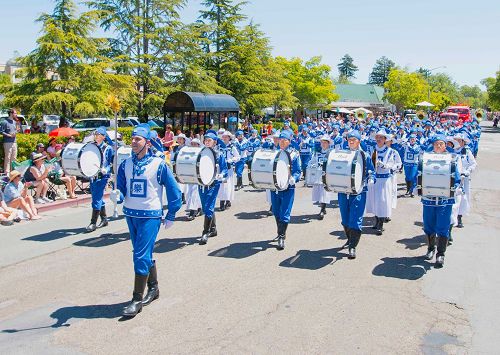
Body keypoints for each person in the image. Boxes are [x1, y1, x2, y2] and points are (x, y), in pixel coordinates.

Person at [112, 124, 182, 317]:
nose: (133, 142)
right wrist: (117, 195)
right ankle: (154, 288)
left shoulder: (159, 165)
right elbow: (122, 188)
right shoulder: (125, 164)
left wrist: (171, 214)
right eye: (132, 139)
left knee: (140, 256)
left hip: (150, 216)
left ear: (147, 143)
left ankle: (136, 299)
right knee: (141, 252)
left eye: (138, 139)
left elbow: (175, 192)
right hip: (131, 215)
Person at [421, 135, 461, 268]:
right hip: (429, 199)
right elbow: (420, 173)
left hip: (445, 199)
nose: (438, 146)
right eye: (436, 144)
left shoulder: (452, 158)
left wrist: (456, 186)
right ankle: (431, 248)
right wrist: (418, 186)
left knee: (443, 226)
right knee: (428, 224)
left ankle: (440, 254)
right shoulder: (425, 157)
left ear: (445, 146)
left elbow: (456, 176)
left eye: (441, 144)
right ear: (433, 145)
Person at [337, 130, 375, 259]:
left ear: (359, 141)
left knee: (356, 219)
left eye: (353, 139)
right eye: (349, 139)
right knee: (345, 219)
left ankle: (353, 247)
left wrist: (371, 179)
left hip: (359, 191)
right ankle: (349, 239)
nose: (351, 141)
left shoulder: (365, 155)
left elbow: (371, 171)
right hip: (343, 191)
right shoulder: (343, 154)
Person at [270, 130, 301, 250]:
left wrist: (294, 178)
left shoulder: (294, 154)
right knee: (276, 212)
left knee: (285, 212)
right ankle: (280, 233)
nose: (282, 143)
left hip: (288, 187)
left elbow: (298, 170)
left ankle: (282, 237)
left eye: (284, 140)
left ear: (289, 141)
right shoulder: (274, 153)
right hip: (275, 187)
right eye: (280, 140)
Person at [365, 130, 399, 235]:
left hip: (384, 180)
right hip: (374, 179)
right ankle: (376, 221)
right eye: (377, 137)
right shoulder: (371, 150)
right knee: (374, 200)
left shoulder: (391, 151)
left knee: (383, 201)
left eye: (381, 137)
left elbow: (398, 164)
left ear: (385, 139)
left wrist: (387, 166)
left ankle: (381, 224)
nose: (379, 139)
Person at [198, 132, 228, 245]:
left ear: (214, 142)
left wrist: (221, 175)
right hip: (201, 184)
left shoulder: (219, 155)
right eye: (205, 140)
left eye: (209, 140)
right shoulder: (200, 153)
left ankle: (205, 232)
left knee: (209, 206)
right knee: (206, 207)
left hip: (213, 184)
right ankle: (213, 229)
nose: (206, 142)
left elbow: (224, 169)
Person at [86, 127, 114, 232]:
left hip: (103, 176)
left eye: (99, 135)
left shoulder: (108, 148)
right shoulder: (92, 146)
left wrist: (106, 170)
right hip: (93, 175)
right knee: (96, 196)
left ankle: (93, 223)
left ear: (103, 137)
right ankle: (104, 219)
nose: (96, 136)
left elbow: (111, 163)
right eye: (95, 134)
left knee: (96, 198)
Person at [311, 135, 333, 220]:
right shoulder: (317, 153)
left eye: (325, 143)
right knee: (319, 192)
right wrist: (312, 165)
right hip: (318, 174)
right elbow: (312, 161)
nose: (323, 144)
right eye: (322, 142)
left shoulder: (331, 153)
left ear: (328, 144)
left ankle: (322, 209)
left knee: (325, 192)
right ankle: (323, 207)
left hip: (326, 175)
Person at [218, 131, 240, 211]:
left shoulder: (232, 147)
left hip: (228, 168)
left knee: (228, 185)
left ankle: (227, 200)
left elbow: (238, 157)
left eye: (226, 137)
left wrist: (231, 160)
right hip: (220, 168)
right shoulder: (219, 146)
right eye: (223, 137)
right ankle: (221, 200)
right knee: (221, 185)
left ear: (229, 138)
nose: (224, 138)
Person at [185, 138, 203, 220]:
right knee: (190, 193)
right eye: (192, 144)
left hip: (198, 175)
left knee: (195, 193)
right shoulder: (189, 152)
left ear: (198, 145)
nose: (193, 145)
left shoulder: (201, 153)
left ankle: (193, 211)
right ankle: (199, 208)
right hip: (190, 175)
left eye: (195, 144)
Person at [0, 108, 18, 174]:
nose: (16, 114)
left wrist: (16, 132)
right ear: (11, 113)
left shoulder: (15, 122)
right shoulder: (4, 122)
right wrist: (9, 135)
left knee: (14, 158)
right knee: (7, 158)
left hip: (14, 142)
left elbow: (15, 131)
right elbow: (1, 131)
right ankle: (6, 173)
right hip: (7, 142)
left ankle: (13, 173)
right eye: (15, 113)